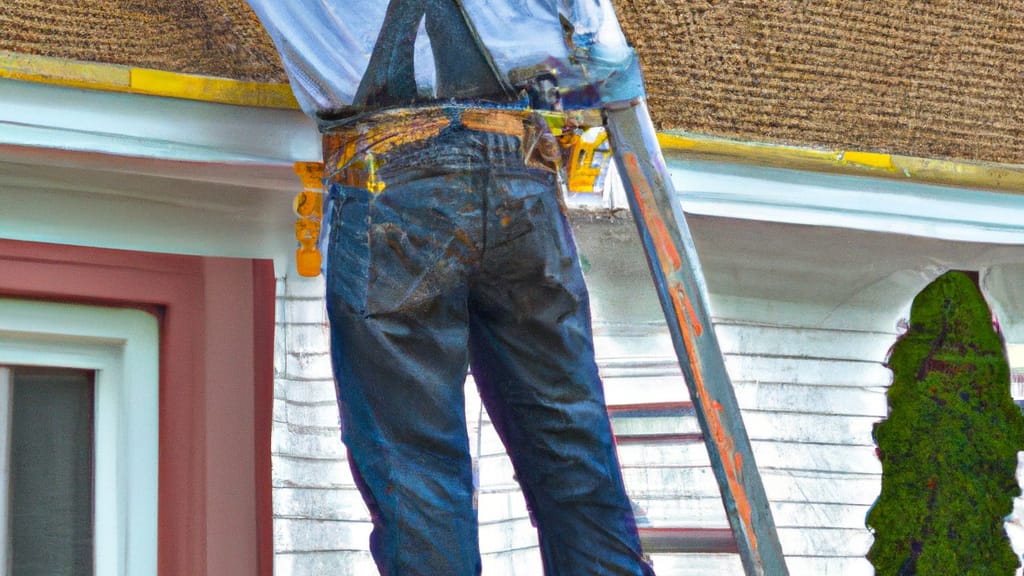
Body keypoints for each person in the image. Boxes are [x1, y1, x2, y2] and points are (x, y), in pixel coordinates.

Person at [245, 1, 655, 574]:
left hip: (391, 177)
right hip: (521, 176)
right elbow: (605, 60)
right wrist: (590, 85)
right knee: (569, 446)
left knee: (416, 473)